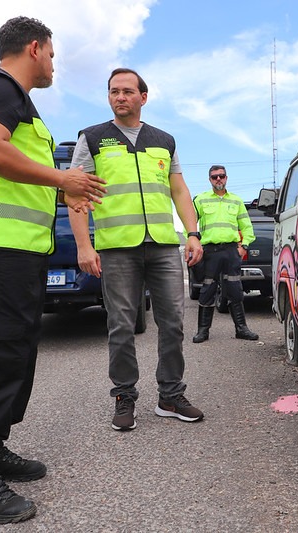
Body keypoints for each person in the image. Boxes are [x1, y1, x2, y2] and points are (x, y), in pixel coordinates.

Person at [0, 16, 106, 524]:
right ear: (35, 48)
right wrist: (65, 178)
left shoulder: (20, 104)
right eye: (54, 55)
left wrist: (60, 184)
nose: (55, 64)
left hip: (18, 250)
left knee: (16, 351)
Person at [69, 67, 205, 432]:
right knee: (121, 326)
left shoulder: (164, 140)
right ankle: (124, 395)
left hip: (162, 245)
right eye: (114, 91)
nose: (120, 97)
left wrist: (192, 233)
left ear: (143, 97)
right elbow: (75, 193)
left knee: (173, 322)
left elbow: (179, 190)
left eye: (128, 91)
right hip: (117, 248)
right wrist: (84, 245)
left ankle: (171, 395)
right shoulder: (93, 138)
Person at [192, 165, 259, 343]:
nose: (218, 179)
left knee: (235, 290)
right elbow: (189, 224)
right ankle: (203, 331)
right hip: (210, 252)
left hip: (231, 251)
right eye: (215, 177)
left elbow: (246, 227)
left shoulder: (236, 201)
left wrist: (244, 246)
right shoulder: (201, 199)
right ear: (210, 180)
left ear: (226, 178)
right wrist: (194, 242)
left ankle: (241, 329)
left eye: (221, 176)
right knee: (208, 289)